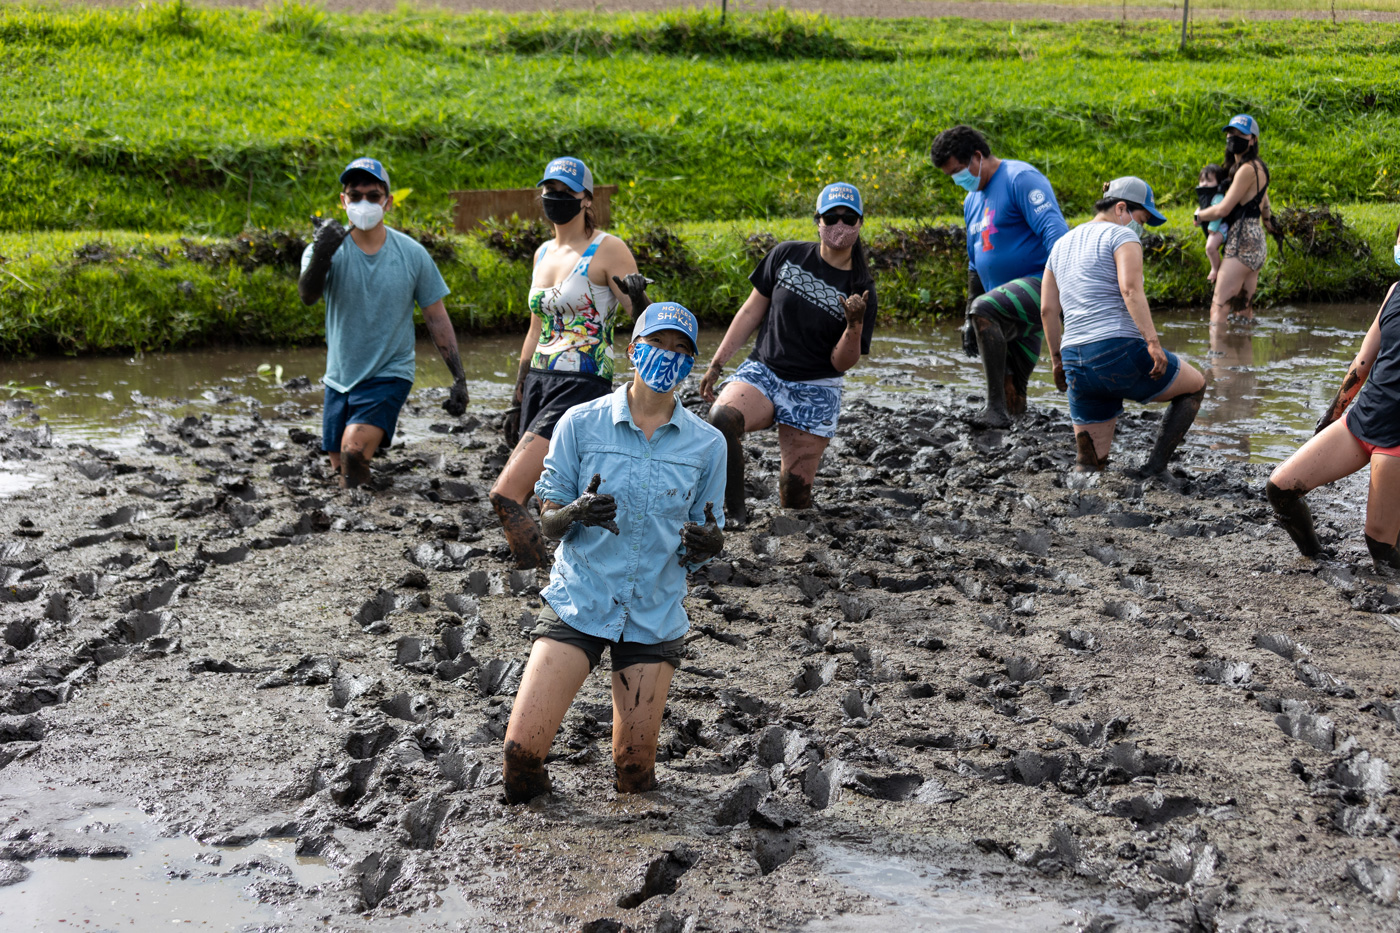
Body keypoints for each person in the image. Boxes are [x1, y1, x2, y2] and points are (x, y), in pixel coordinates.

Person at [501, 301, 727, 804]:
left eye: (680, 350)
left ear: (691, 363)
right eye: (657, 345)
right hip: (580, 598)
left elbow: (707, 537)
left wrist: (712, 546)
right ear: (631, 351)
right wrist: (575, 512)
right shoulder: (581, 423)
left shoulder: (708, 445)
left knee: (633, 769)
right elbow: (548, 519)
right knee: (520, 755)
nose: (667, 357)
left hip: (652, 610)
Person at [489, 157, 650, 569]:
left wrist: (642, 298)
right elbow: (534, 329)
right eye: (549, 191)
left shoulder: (609, 248)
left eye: (565, 192)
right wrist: (517, 393)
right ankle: (566, 576)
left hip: (580, 383)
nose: (554, 198)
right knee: (551, 495)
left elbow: (645, 323)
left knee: (506, 493)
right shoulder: (543, 252)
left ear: (586, 199)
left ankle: (535, 573)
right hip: (540, 381)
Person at [698, 182, 876, 525]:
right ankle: (735, 512)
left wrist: (854, 324)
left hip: (816, 385)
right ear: (818, 220)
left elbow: (841, 362)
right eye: (831, 216)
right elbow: (750, 312)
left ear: (860, 223)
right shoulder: (787, 255)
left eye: (848, 217)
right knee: (723, 418)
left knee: (793, 497)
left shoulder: (861, 287)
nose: (839, 224)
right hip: (765, 372)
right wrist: (718, 363)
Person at [298, 157, 469, 489]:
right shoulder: (325, 248)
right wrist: (323, 252)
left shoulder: (412, 254)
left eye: (373, 196)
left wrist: (459, 377)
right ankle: (360, 511)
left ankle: (367, 526)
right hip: (340, 376)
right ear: (343, 201)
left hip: (389, 372)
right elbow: (307, 295)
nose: (364, 203)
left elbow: (435, 316)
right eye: (355, 195)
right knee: (341, 467)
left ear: (387, 203)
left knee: (353, 451)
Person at [1040, 177, 1207, 474]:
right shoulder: (1121, 237)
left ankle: (1083, 499)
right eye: (1140, 219)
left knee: (1090, 463)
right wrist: (1153, 343)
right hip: (1117, 350)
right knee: (1195, 385)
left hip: (1074, 359)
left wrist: (1056, 361)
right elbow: (1130, 289)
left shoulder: (1060, 246)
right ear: (1121, 208)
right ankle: (1155, 469)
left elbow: (1048, 310)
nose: (1140, 229)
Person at [1266, 227, 1400, 573]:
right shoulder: (1395, 292)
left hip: (1396, 441)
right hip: (1362, 420)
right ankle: (1316, 557)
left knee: (1380, 546)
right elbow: (1362, 363)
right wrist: (1333, 414)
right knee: (1280, 488)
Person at [930, 125, 1069, 428]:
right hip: (1004, 303)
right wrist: (969, 317)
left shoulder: (1020, 179)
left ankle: (991, 408)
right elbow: (974, 263)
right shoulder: (971, 202)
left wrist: (1067, 302)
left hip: (1038, 286)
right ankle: (1006, 428)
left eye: (958, 171)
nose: (957, 180)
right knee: (1013, 395)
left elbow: (1056, 236)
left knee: (984, 309)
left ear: (977, 156)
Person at [1194, 115, 1272, 328]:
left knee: (1219, 307)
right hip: (1257, 243)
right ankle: (1242, 360)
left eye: (1240, 134)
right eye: (1230, 133)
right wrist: (1271, 226)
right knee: (1242, 310)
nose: (1233, 137)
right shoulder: (1259, 168)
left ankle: (1217, 360)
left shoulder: (1247, 169)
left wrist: (1199, 215)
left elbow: (1224, 208)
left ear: (1253, 139)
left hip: (1241, 243)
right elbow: (1264, 205)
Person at [1195, 163, 1229, 283]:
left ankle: (1215, 269)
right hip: (1213, 228)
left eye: (1209, 180)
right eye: (1202, 180)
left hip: (1221, 227)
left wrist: (1212, 227)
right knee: (1211, 247)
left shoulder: (1218, 196)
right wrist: (1196, 217)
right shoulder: (1205, 195)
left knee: (1210, 247)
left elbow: (1218, 213)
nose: (1204, 184)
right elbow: (1201, 209)